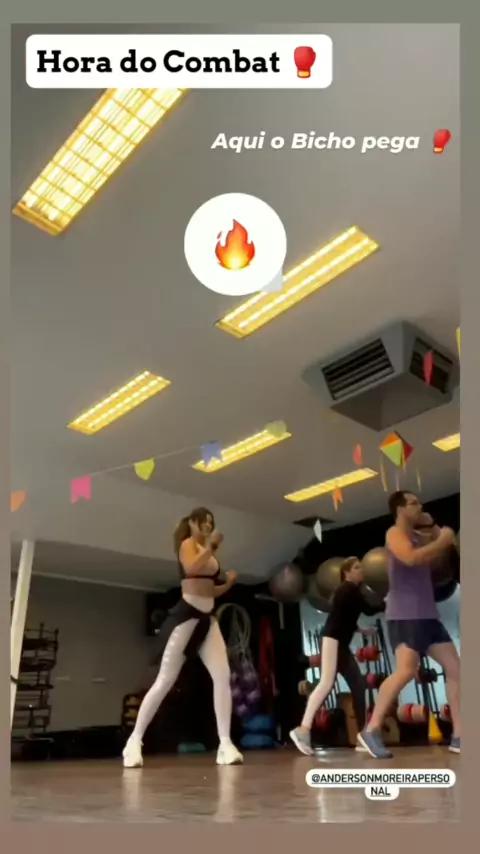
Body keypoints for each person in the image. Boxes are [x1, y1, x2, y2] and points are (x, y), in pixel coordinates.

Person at [122, 507, 243, 768]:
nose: (208, 526)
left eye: (211, 522)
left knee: (222, 676)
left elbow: (208, 588)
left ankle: (225, 743)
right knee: (165, 680)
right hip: (186, 617)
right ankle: (134, 741)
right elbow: (191, 567)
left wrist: (229, 584)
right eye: (204, 522)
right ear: (193, 523)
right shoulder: (188, 545)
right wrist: (211, 546)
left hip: (207, 619)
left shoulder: (207, 551)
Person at [357, 491, 460, 759]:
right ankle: (372, 728)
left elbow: (446, 545)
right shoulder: (394, 534)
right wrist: (443, 538)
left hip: (428, 616)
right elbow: (412, 558)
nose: (419, 506)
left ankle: (460, 735)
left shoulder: (418, 536)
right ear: (400, 509)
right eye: (414, 503)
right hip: (405, 615)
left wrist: (433, 526)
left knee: (456, 669)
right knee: (405, 672)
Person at [290, 557, 383, 756]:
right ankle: (303, 730)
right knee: (326, 684)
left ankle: (362, 736)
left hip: (340, 644)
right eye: (357, 567)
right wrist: (387, 602)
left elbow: (344, 616)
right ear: (347, 573)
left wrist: (360, 630)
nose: (361, 570)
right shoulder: (348, 589)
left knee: (359, 686)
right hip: (333, 641)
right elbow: (367, 610)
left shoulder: (347, 592)